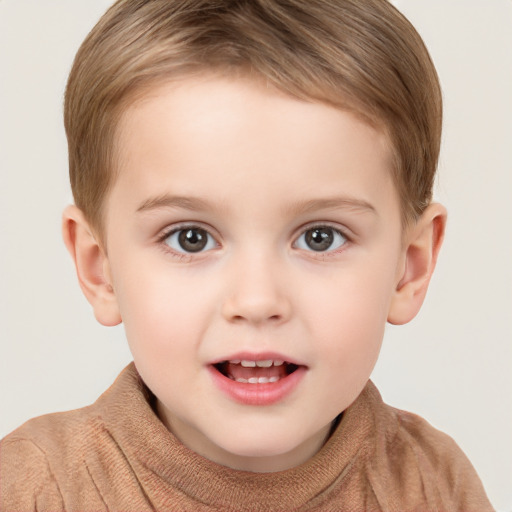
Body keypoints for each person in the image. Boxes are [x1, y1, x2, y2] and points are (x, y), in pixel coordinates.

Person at [0, 0, 494, 510]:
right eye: (190, 237)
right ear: (98, 268)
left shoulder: (433, 485)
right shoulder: (33, 489)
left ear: (408, 268)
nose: (257, 300)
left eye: (320, 237)